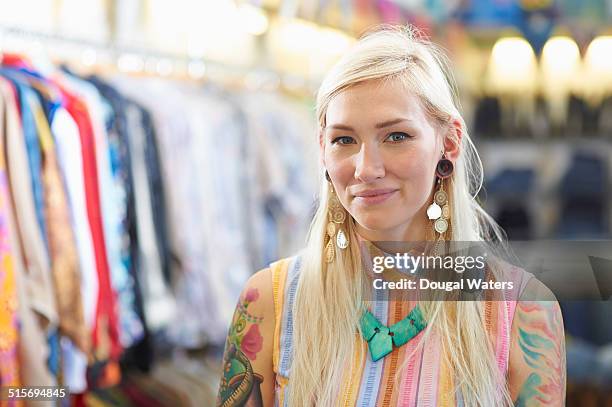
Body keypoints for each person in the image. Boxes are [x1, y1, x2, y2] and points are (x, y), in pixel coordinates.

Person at [216, 24, 566, 406]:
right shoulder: (271, 299)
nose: (366, 168)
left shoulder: (521, 310)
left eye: (396, 136)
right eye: (343, 140)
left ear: (448, 143)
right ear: (322, 150)